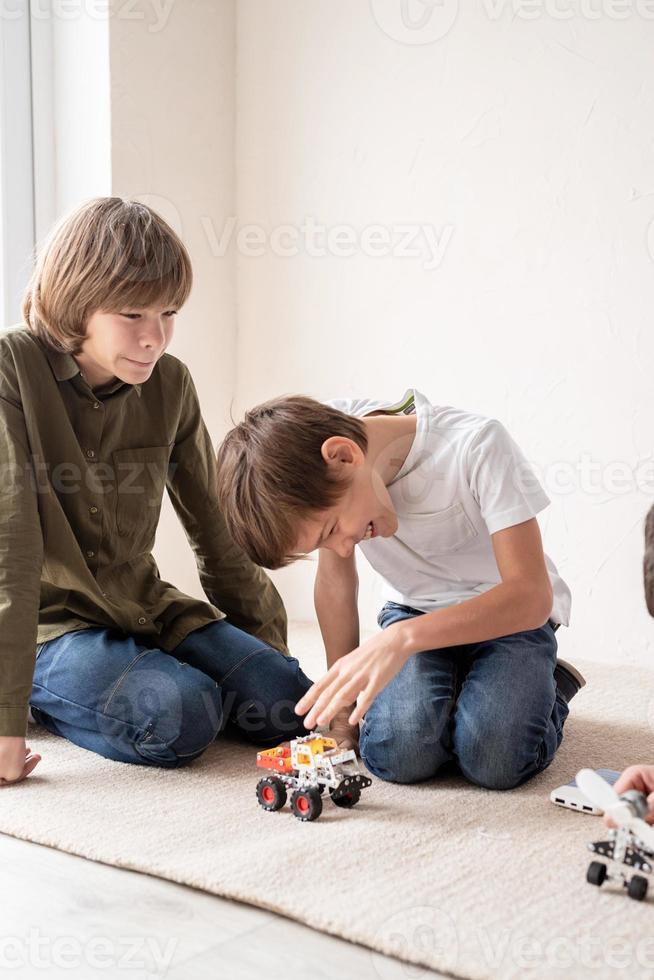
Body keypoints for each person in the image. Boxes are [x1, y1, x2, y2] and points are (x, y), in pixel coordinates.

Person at [0, 197, 313, 787]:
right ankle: (50, 697)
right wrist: (4, 726)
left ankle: (138, 677)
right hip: (49, 626)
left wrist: (266, 658)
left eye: (169, 313)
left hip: (141, 604)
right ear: (77, 303)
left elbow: (216, 528)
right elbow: (10, 546)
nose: (156, 338)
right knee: (180, 718)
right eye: (133, 315)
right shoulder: (9, 366)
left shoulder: (171, 383)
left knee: (287, 706)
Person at [216, 390, 582, 790]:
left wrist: (401, 639)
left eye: (331, 531)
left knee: (494, 759)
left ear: (344, 456)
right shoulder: (329, 447)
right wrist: (343, 711)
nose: (342, 547)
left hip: (510, 618)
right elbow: (336, 582)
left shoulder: (477, 445)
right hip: (414, 611)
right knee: (397, 754)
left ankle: (552, 684)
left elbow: (531, 596)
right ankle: (461, 689)